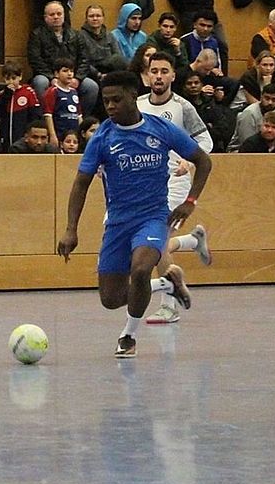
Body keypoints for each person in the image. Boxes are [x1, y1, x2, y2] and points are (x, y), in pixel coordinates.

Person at [58, 70, 211, 358]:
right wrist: (71, 229)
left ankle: (128, 336)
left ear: (133, 96)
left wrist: (190, 201)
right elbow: (81, 183)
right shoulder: (102, 137)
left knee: (140, 268)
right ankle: (167, 283)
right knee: (111, 299)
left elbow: (203, 161)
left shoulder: (159, 129)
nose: (111, 106)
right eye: (106, 101)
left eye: (117, 99)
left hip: (153, 217)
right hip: (117, 222)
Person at [137, 52, 214, 324]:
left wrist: (188, 162)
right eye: (154, 71)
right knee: (155, 242)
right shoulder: (138, 105)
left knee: (157, 240)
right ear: (147, 76)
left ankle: (169, 304)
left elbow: (206, 140)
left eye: (164, 71)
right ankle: (193, 241)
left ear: (172, 76)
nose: (158, 76)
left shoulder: (183, 107)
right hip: (146, 183)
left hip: (176, 181)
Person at [0, 62, 41, 151]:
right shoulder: (2, 94)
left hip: (22, 133)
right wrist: (6, 95)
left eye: (14, 78)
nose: (11, 82)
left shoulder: (28, 92)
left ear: (20, 77)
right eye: (7, 79)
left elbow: (35, 114)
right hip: (6, 134)